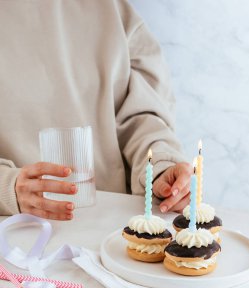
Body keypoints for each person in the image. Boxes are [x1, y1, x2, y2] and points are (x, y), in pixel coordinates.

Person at [0, 0, 192, 221]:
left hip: (112, 232)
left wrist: (160, 169)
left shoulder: (111, 10)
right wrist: (8, 187)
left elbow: (142, 117)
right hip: (13, 234)